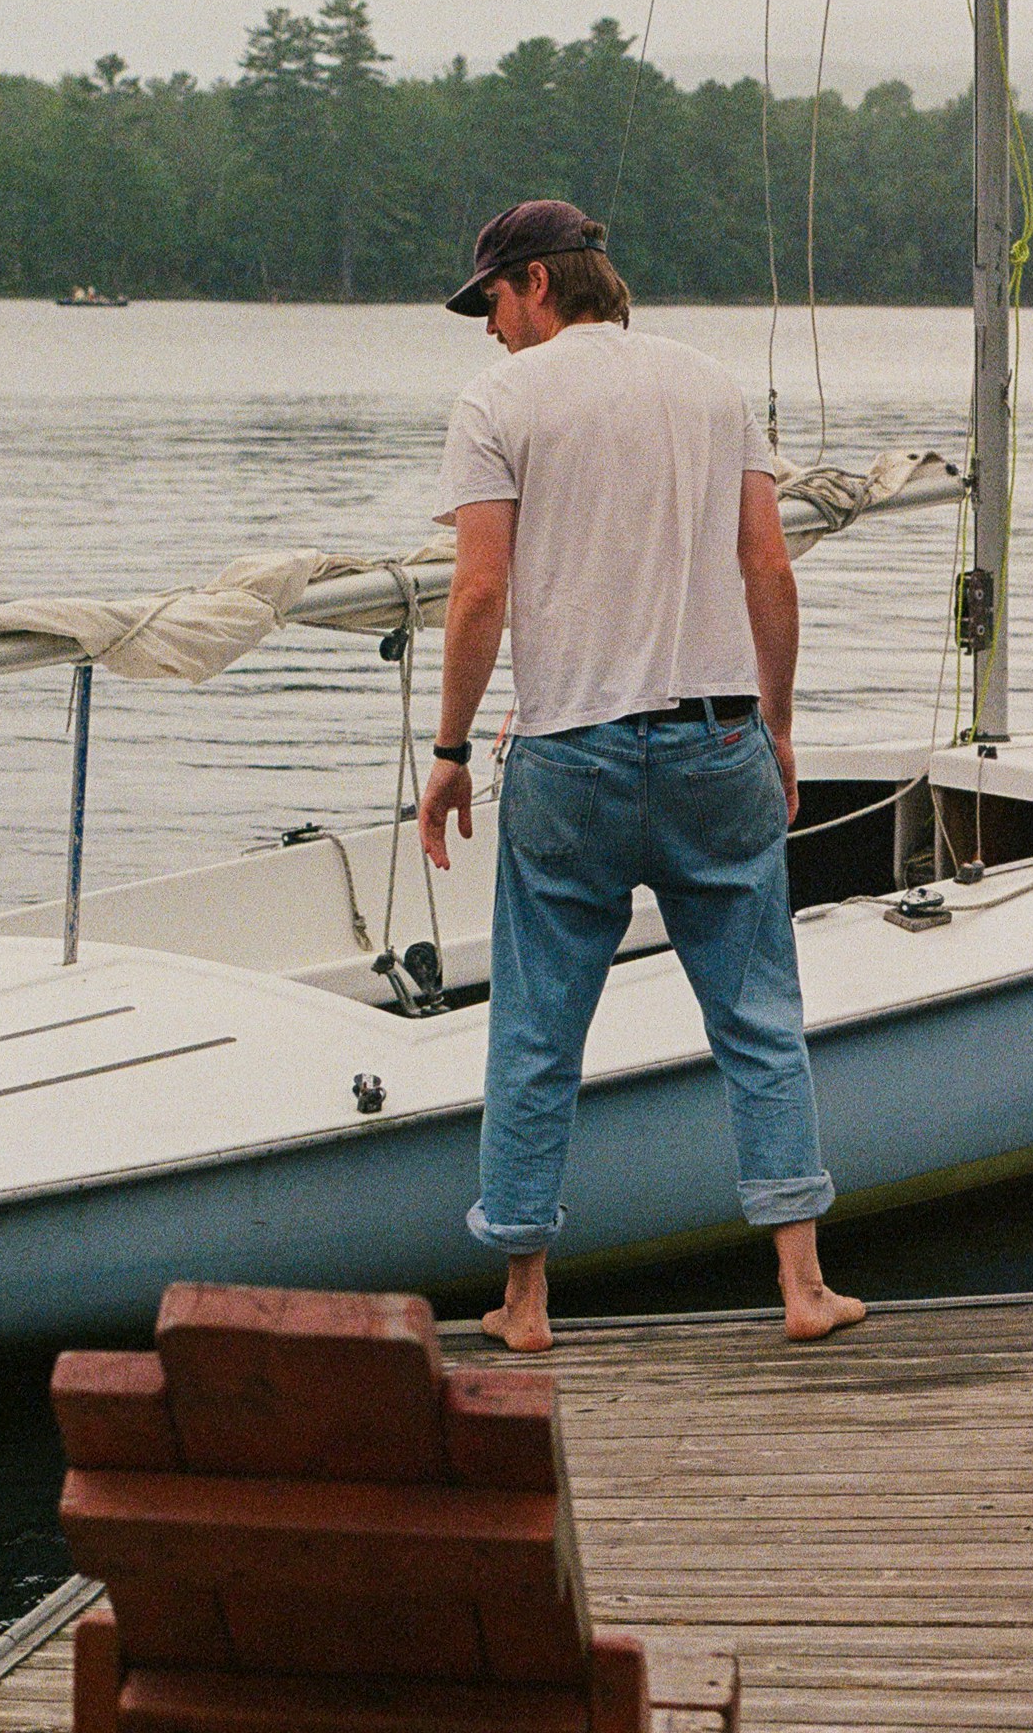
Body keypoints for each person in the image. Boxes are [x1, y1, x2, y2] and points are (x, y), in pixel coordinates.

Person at [418, 196, 864, 1354]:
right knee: (760, 1018)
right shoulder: (711, 386)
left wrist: (453, 749)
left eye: (491, 303)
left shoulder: (498, 404)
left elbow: (477, 593)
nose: (486, 330)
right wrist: (775, 725)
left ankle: (523, 1301)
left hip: (571, 752)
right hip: (718, 739)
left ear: (537, 286)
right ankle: (803, 1284)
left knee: (533, 1034)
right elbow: (768, 566)